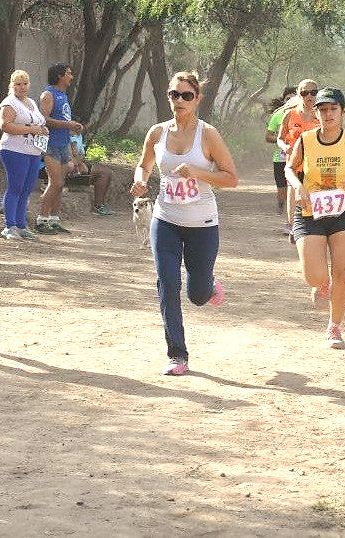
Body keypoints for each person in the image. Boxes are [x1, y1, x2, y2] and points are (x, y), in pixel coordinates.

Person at [130, 71, 238, 376]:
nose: (179, 100)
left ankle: (209, 285)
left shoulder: (208, 135)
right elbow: (144, 165)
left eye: (186, 95)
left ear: (197, 99)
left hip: (202, 224)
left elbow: (231, 178)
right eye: (174, 94)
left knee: (197, 295)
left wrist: (197, 172)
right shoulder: (157, 132)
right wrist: (140, 181)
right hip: (165, 219)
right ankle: (177, 354)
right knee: (167, 283)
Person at [285, 88, 345, 348]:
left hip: (343, 213)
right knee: (313, 276)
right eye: (322, 109)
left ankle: (335, 326)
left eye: (333, 109)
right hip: (310, 213)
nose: (327, 114)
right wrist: (298, 185)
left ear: (342, 112)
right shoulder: (306, 139)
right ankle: (321, 285)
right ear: (315, 113)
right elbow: (289, 168)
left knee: (342, 273)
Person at [0, 69, 48, 239]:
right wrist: (31, 129)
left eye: (25, 83)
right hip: (14, 150)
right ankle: (9, 226)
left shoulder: (31, 102)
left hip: (33, 151)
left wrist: (42, 130)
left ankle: (21, 225)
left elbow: (39, 122)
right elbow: (6, 126)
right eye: (18, 84)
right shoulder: (9, 103)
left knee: (27, 189)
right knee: (16, 187)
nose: (22, 87)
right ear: (12, 86)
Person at [36, 63, 83, 234]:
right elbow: (44, 119)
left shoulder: (63, 94)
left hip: (63, 144)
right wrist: (67, 124)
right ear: (60, 76)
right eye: (68, 73)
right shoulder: (48, 94)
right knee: (55, 182)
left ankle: (54, 219)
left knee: (60, 184)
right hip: (51, 145)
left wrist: (72, 128)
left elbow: (63, 119)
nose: (71, 77)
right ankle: (41, 220)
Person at [278, 79, 320, 242]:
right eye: (304, 92)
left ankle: (314, 225)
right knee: (293, 192)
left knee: (314, 192)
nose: (309, 96)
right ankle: (292, 226)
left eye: (313, 93)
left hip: (315, 163)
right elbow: (280, 138)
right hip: (294, 163)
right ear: (298, 94)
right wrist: (285, 147)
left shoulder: (322, 115)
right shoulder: (290, 114)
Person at [265, 85, 297, 228]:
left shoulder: (306, 115)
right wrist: (283, 141)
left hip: (299, 160)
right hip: (280, 158)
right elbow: (268, 136)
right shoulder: (278, 115)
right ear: (284, 100)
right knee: (282, 189)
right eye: (288, 98)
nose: (291, 101)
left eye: (294, 98)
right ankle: (281, 202)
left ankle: (292, 220)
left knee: (294, 188)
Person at [68, 129, 114, 216]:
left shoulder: (77, 136)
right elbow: (72, 160)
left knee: (107, 172)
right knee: (103, 173)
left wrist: (79, 160)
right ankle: (98, 205)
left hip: (77, 165)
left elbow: (80, 157)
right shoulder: (64, 137)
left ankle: (100, 204)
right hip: (66, 171)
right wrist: (78, 161)